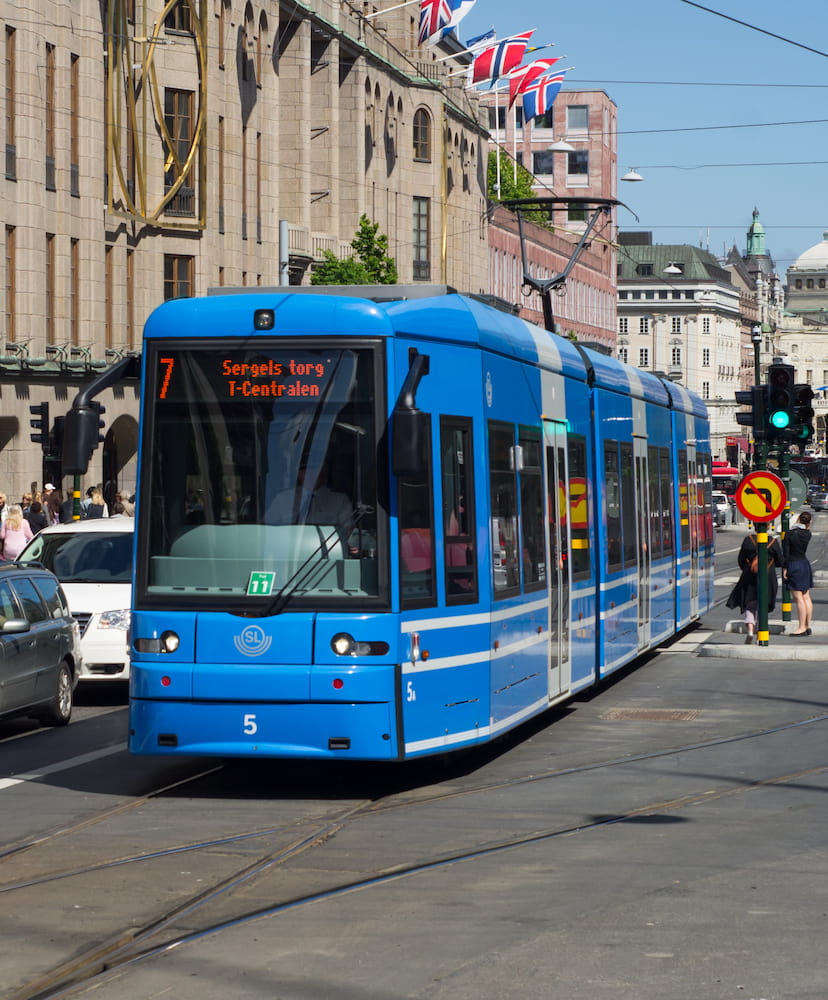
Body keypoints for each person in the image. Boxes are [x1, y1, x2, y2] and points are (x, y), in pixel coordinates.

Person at [726, 526, 784, 644]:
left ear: (754, 526)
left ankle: (750, 630)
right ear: (768, 526)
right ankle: (761, 632)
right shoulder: (772, 541)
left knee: (750, 604)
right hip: (768, 577)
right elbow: (780, 561)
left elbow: (741, 559)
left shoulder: (748, 540)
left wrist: (748, 568)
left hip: (749, 575)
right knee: (763, 604)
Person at [782, 510, 814, 636]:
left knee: (798, 597)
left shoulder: (790, 534)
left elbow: (786, 553)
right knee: (806, 596)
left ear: (798, 519)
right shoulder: (807, 534)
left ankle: (801, 627)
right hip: (804, 564)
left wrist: (785, 568)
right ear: (809, 522)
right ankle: (807, 625)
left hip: (794, 564)